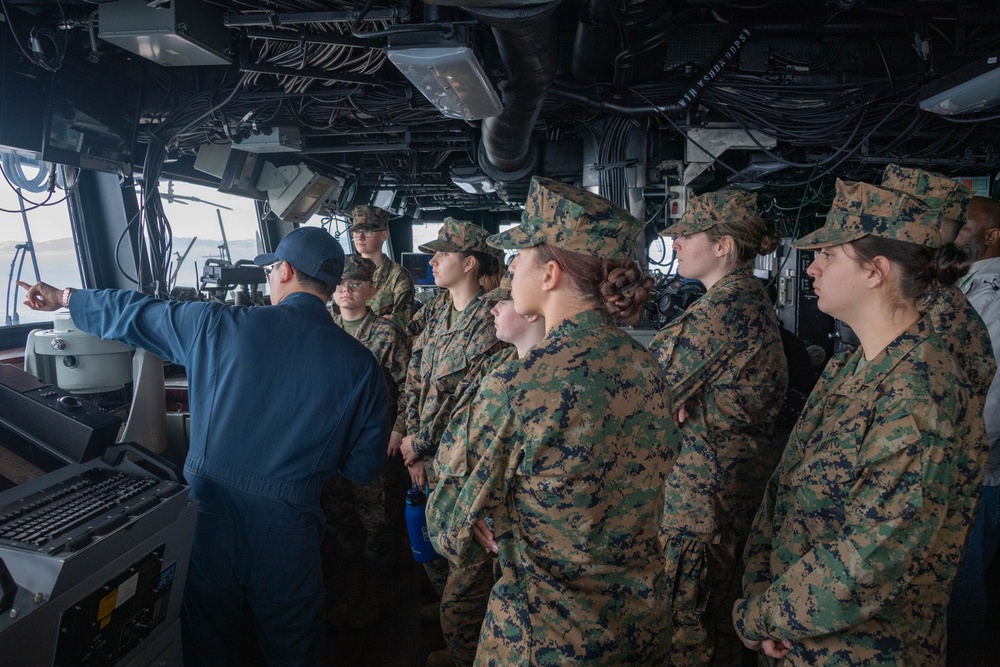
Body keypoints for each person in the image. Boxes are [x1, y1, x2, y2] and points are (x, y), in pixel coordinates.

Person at [20, 226, 389, 667]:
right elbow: (363, 468)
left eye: (272, 269)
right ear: (330, 288)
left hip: (207, 511)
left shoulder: (216, 325)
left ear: (284, 271)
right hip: (289, 524)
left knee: (204, 635)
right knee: (294, 638)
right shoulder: (362, 366)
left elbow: (137, 312)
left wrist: (65, 298)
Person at [733, 179, 987, 666]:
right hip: (799, 638)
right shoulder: (856, 365)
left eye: (829, 255)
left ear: (876, 272)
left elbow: (872, 560)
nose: (813, 266)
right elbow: (784, 490)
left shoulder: (922, 392)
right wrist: (761, 587)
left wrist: (759, 615)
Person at [435, 176, 681, 666]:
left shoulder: (517, 384)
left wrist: (472, 517)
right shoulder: (647, 364)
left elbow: (448, 517)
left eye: (518, 258)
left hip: (544, 635)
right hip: (640, 626)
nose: (508, 269)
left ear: (549, 274)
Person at [648, 190, 788, 666]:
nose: (678, 244)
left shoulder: (724, 310)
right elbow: (663, 391)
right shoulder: (741, 301)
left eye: (688, 235)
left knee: (687, 630)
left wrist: (670, 399)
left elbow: (643, 389)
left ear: (724, 245)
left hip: (702, 503)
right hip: (721, 493)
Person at [398, 217, 507, 667]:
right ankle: (450, 613)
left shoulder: (492, 322)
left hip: (459, 460)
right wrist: (406, 436)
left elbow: (463, 402)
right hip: (424, 454)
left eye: (444, 253)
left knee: (467, 564)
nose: (434, 259)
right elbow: (415, 378)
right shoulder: (436, 312)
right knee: (434, 546)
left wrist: (418, 444)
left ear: (469, 262)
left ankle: (466, 646)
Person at [425, 270, 545, 667]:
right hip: (471, 510)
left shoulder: (541, 380)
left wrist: (480, 506)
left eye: (505, 301)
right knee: (462, 608)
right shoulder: (496, 363)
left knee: (463, 611)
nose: (493, 307)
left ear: (531, 314)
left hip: (501, 523)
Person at [322, 254, 412, 628]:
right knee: (342, 521)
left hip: (374, 444)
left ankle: (376, 598)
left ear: (371, 290)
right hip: (332, 445)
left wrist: (400, 429)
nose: (347, 290)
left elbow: (411, 387)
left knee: (377, 524)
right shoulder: (323, 330)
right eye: (341, 284)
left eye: (356, 284)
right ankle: (353, 590)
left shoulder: (387, 335)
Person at [948, 194, 1000, 665]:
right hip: (963, 469)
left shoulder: (994, 296)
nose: (954, 232)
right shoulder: (967, 286)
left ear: (991, 236)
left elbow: (995, 398)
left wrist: (960, 458)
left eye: (964, 226)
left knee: (964, 591)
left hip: (978, 476)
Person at [350, 204, 416, 331]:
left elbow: (404, 324)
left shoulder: (398, 276)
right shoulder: (347, 274)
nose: (360, 236)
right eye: (356, 231)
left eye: (368, 231)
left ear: (384, 235)